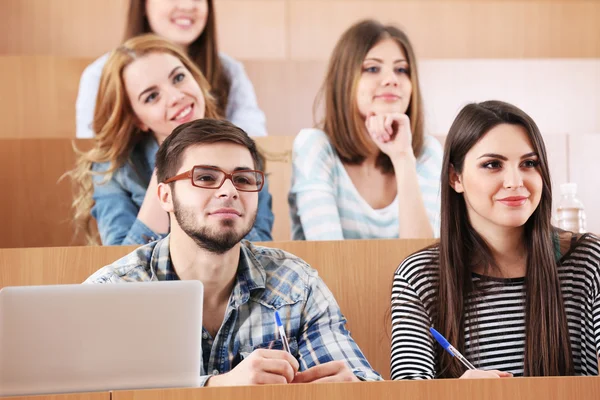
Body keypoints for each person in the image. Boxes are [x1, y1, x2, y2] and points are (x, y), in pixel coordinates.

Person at [84, 119, 382, 386]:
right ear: (166, 196)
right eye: (205, 178)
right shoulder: (112, 291)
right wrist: (217, 388)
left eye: (243, 179)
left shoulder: (297, 284)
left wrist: (352, 386)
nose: (229, 191)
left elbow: (359, 378)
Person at [390, 100, 600, 380]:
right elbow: (408, 391)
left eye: (529, 163)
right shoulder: (419, 277)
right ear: (456, 178)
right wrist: (456, 395)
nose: (515, 181)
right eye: (492, 164)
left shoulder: (588, 261)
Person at [70, 35, 273, 245]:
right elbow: (122, 266)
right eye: (152, 97)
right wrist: (167, 167)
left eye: (178, 78)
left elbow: (259, 252)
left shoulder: (245, 154)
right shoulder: (112, 170)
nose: (176, 97)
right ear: (137, 119)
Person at [288, 19, 442, 241]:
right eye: (372, 68)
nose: (391, 80)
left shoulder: (428, 152)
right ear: (345, 80)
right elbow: (328, 258)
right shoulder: (315, 146)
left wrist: (402, 158)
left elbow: (424, 261)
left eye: (401, 69)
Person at [76, 0, 266, 138]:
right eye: (151, 96)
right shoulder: (99, 75)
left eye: (179, 78)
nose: (187, 5)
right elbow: (98, 158)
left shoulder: (229, 71)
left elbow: (252, 144)